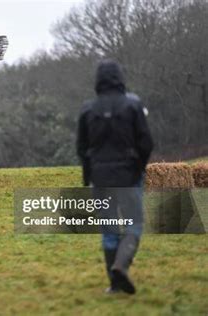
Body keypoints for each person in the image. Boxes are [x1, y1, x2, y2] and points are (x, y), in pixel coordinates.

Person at [76, 60, 154, 294]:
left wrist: (89, 174)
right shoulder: (133, 104)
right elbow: (146, 143)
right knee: (134, 224)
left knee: (109, 229)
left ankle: (114, 283)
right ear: (120, 78)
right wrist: (139, 167)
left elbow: (81, 148)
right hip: (129, 175)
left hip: (100, 178)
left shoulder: (87, 109)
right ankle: (121, 265)